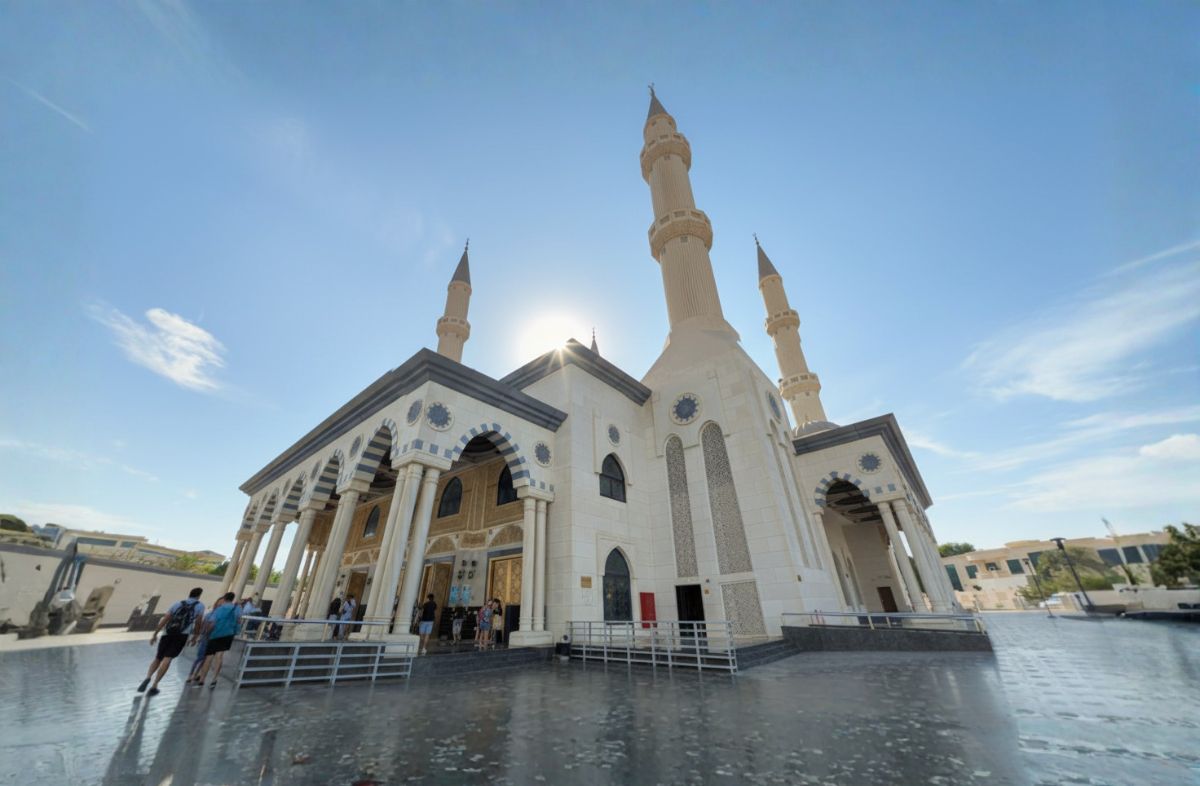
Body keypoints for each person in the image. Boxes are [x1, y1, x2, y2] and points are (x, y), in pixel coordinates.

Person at [138, 587, 204, 696]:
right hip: (182, 635)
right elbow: (198, 623)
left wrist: (155, 633)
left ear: (189, 594)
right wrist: (195, 636)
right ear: (199, 596)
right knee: (167, 659)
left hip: (167, 633)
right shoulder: (200, 606)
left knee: (158, 657)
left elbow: (166, 618)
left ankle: (148, 677)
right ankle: (155, 684)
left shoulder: (177, 603)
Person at [193, 592, 242, 689]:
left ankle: (202, 679)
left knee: (209, 657)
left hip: (216, 634)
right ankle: (214, 679)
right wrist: (235, 631)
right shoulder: (237, 609)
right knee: (219, 656)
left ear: (225, 598)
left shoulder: (220, 609)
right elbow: (239, 621)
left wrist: (207, 633)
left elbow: (212, 622)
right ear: (232, 599)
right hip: (228, 634)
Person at [186, 595, 226, 684]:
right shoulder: (211, 614)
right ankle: (191, 675)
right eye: (220, 603)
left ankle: (196, 674)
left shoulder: (217, 615)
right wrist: (199, 637)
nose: (221, 605)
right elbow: (203, 626)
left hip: (214, 639)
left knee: (205, 659)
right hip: (206, 638)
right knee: (200, 657)